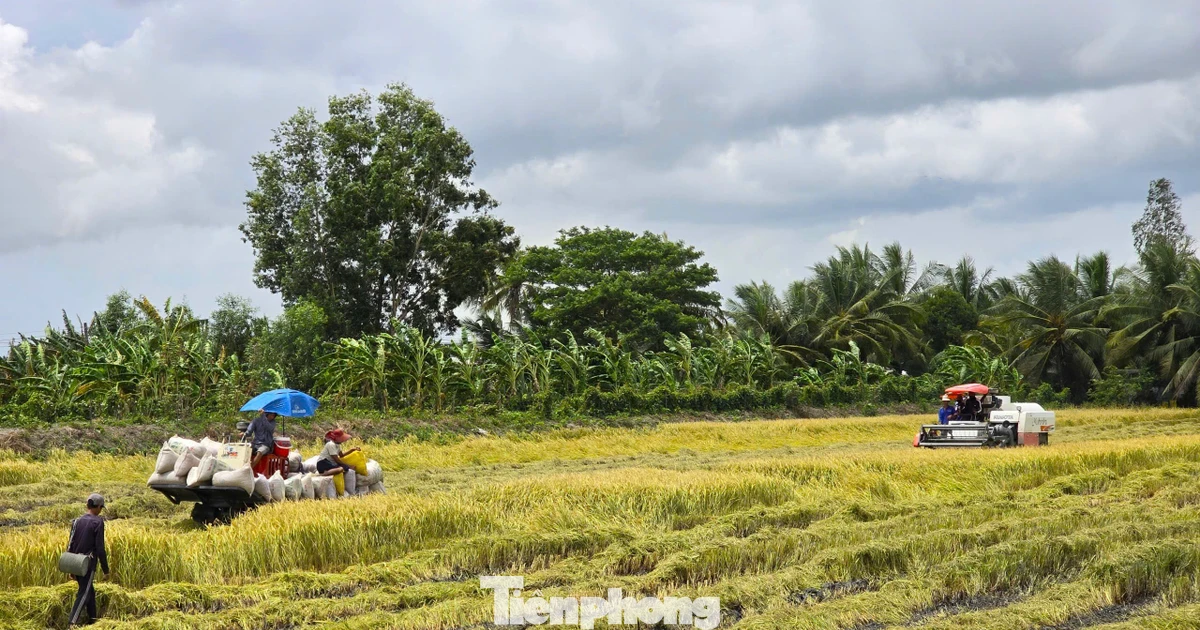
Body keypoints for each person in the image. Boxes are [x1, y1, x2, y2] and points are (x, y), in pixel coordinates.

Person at [68, 493, 109, 626]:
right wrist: (105, 570)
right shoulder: (98, 522)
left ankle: (93, 621)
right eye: (101, 508)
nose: (100, 510)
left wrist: (71, 567)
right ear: (97, 507)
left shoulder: (77, 521)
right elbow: (100, 548)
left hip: (75, 561)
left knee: (89, 591)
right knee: (84, 593)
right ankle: (72, 623)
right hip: (87, 564)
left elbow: (71, 543)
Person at [317, 428, 360, 494]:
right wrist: (347, 465)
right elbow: (336, 459)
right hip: (323, 463)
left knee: (348, 468)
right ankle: (323, 474)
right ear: (336, 438)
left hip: (330, 463)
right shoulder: (331, 445)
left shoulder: (337, 445)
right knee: (340, 469)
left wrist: (352, 450)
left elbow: (341, 455)